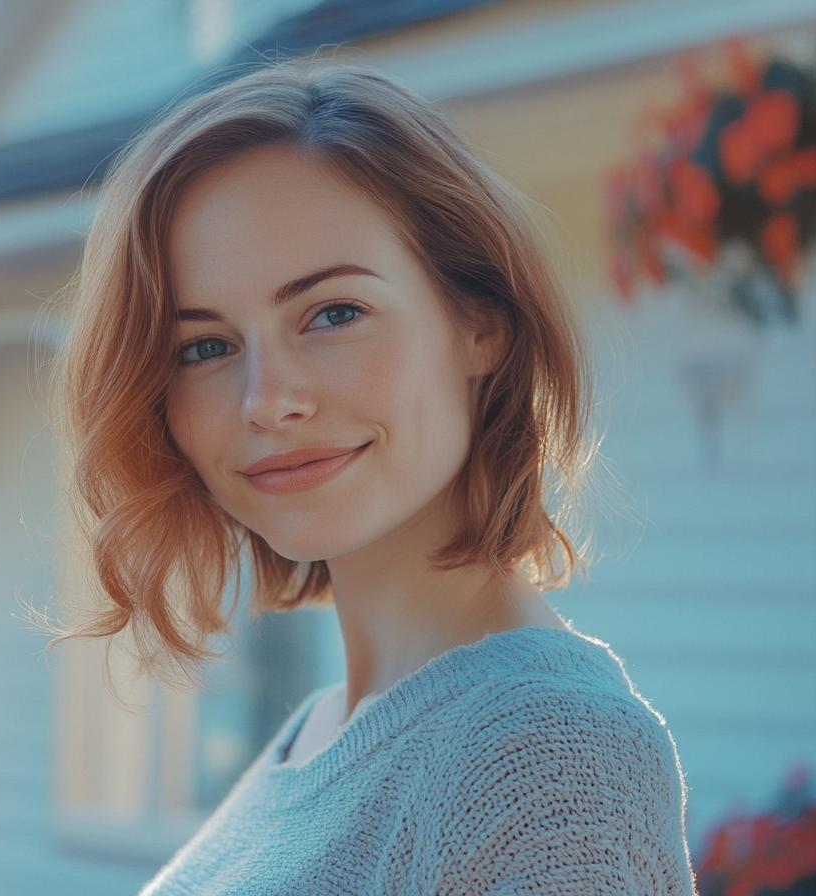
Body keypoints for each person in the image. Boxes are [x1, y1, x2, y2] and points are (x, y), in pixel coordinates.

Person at [58, 59, 695, 894]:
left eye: (333, 314)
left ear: (481, 325)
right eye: (205, 346)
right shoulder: (317, 736)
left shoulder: (550, 754)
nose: (266, 401)